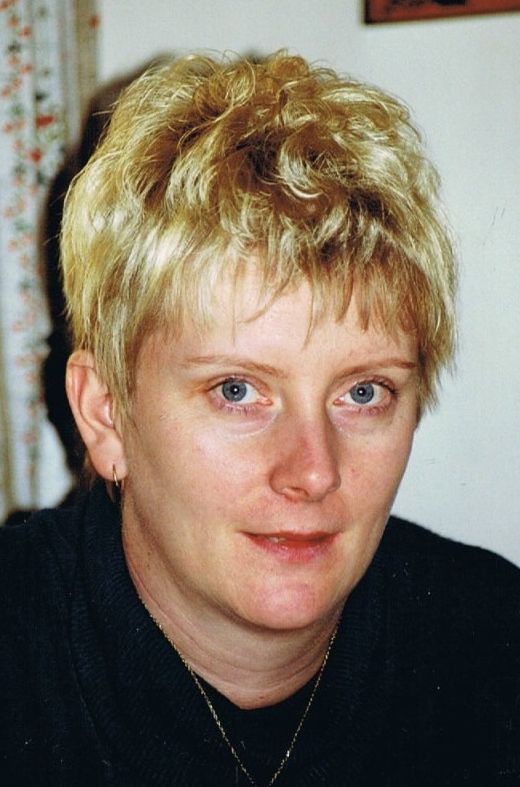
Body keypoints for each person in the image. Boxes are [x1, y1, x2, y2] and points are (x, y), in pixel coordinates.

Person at [0, 51, 518, 787]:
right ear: (106, 415)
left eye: (363, 393)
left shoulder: (493, 642)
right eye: (238, 390)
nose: (314, 472)